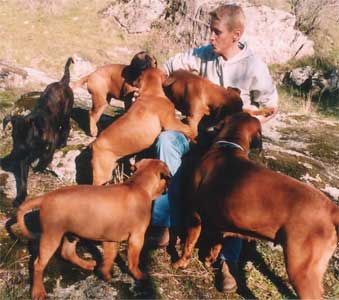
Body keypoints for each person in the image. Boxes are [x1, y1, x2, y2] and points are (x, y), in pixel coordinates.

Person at [148, 4, 278, 292]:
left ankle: (228, 260)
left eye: (217, 32)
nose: (210, 37)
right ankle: (164, 224)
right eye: (210, 30)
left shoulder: (253, 67)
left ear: (236, 34)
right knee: (167, 140)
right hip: (200, 137)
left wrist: (243, 124)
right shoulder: (203, 55)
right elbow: (166, 69)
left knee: (239, 191)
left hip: (231, 146)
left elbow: (270, 107)